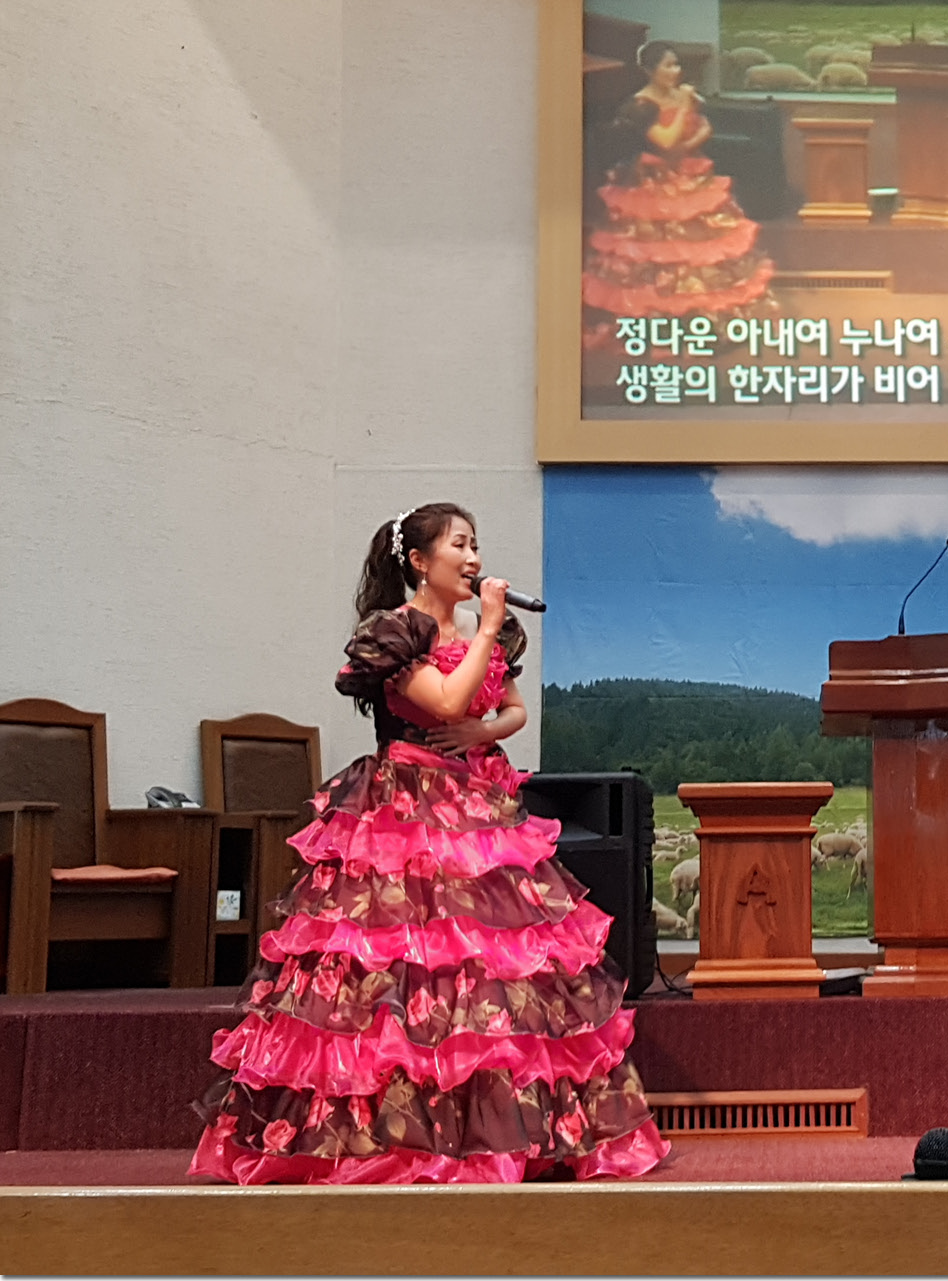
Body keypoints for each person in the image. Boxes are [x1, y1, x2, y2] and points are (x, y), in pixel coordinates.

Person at [190, 503, 669, 1183]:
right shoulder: (394, 632)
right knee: (402, 967)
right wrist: (488, 631)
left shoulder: (483, 630)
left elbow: (507, 708)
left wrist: (483, 731)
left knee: (490, 971)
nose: (474, 559)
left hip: (477, 806)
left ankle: (499, 1134)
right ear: (419, 561)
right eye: (459, 546)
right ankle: (393, 1138)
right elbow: (442, 700)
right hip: (406, 808)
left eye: (476, 546)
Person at [581, 41, 776, 346]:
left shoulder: (681, 95)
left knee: (703, 249)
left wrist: (692, 130)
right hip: (654, 186)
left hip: (692, 178)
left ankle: (700, 321)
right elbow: (667, 142)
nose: (676, 71)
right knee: (658, 252)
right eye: (668, 65)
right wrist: (685, 112)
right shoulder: (640, 105)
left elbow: (703, 129)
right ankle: (659, 323)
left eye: (677, 64)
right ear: (649, 70)